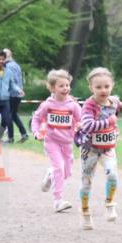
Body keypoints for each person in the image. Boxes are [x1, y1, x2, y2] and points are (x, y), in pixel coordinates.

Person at [30, 70, 82, 213]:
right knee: (59, 168)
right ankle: (58, 201)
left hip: (67, 143)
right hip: (51, 141)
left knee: (66, 172)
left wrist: (80, 125)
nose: (65, 88)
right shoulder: (47, 105)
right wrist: (36, 132)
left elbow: (82, 119)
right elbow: (36, 119)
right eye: (61, 86)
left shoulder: (73, 105)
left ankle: (50, 175)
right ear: (52, 88)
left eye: (67, 85)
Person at [77, 67, 122, 229]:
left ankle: (110, 205)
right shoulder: (89, 106)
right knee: (86, 182)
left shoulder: (115, 102)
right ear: (91, 88)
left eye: (106, 86)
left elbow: (116, 115)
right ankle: (85, 213)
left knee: (113, 175)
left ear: (112, 85)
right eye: (98, 87)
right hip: (90, 149)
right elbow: (88, 125)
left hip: (108, 148)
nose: (103, 90)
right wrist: (109, 122)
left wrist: (114, 130)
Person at [4, 48, 28, 142]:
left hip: (12, 94)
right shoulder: (16, 65)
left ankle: (10, 138)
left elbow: (12, 80)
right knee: (13, 115)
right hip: (17, 93)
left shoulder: (9, 66)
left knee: (8, 115)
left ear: (8, 56)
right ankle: (24, 134)